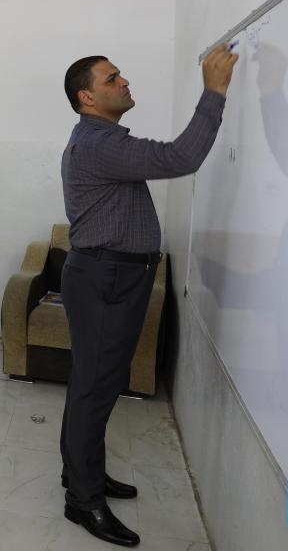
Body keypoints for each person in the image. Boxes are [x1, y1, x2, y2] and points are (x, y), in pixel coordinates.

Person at [58, 44, 237, 547]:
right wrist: (215, 90)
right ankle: (84, 501)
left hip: (111, 275)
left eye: (121, 75)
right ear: (86, 97)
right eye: (113, 78)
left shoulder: (101, 140)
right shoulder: (98, 143)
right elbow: (181, 157)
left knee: (92, 384)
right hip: (106, 278)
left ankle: (81, 476)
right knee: (95, 387)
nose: (125, 82)